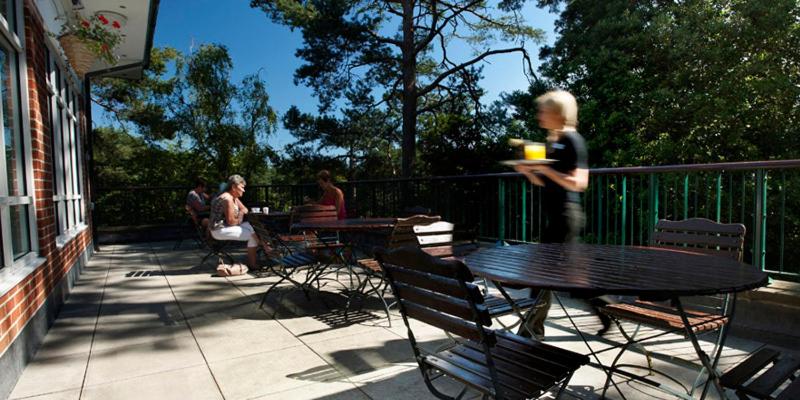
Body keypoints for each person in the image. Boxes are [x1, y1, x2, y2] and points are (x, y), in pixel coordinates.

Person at [513, 90, 610, 339]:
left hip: (567, 217)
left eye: (543, 110)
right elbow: (546, 182)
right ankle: (607, 310)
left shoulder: (572, 141)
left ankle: (531, 328)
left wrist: (546, 168)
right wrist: (529, 171)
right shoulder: (554, 142)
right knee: (574, 278)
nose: (539, 115)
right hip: (557, 216)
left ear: (558, 113)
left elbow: (579, 183)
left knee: (542, 273)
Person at [209, 175, 258, 268]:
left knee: (249, 227)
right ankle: (254, 263)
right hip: (219, 230)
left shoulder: (233, 197)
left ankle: (264, 247)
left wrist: (241, 213)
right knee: (254, 236)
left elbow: (244, 209)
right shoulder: (227, 199)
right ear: (234, 187)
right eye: (242, 187)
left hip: (224, 227)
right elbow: (231, 221)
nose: (244, 190)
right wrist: (241, 215)